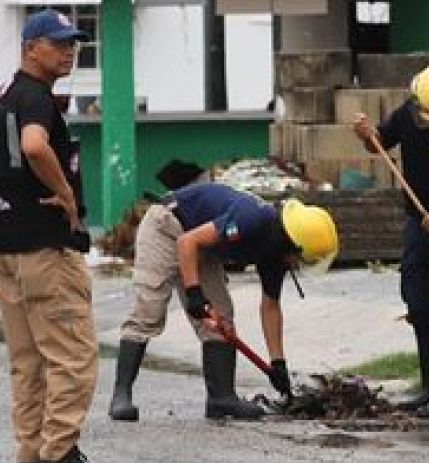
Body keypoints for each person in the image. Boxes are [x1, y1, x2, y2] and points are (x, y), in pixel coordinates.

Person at [0, 9, 115, 463]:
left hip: (7, 242)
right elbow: (34, 146)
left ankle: (30, 457)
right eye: (58, 43)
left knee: (27, 358)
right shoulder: (35, 99)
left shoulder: (5, 93)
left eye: (72, 42)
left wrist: (5, 190)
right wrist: (63, 194)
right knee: (72, 354)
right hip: (45, 247)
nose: (69, 51)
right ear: (32, 47)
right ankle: (59, 456)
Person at [108, 181, 338, 423]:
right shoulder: (253, 221)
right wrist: (194, 293)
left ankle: (221, 399)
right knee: (150, 311)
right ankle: (121, 395)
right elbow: (187, 242)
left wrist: (277, 362)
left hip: (200, 242)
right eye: (301, 258)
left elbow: (270, 306)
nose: (298, 264)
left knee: (221, 316)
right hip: (167, 226)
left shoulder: (277, 255)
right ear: (292, 243)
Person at [353, 61, 429, 418]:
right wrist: (365, 134)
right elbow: (379, 144)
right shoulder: (407, 114)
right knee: (418, 302)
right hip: (417, 222)